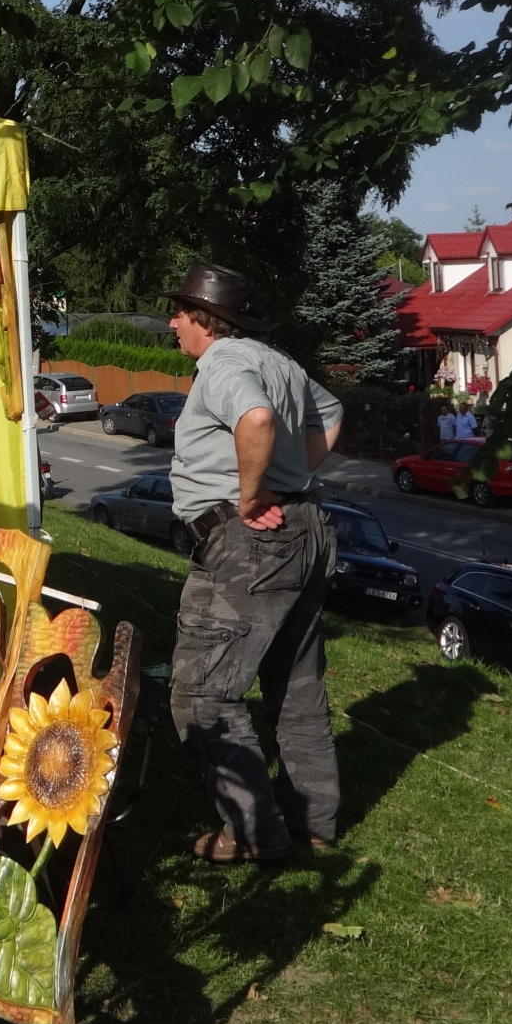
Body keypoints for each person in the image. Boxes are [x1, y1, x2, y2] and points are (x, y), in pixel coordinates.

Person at [163, 262, 344, 863]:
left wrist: (251, 493)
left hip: (250, 544)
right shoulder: (279, 362)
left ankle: (253, 835)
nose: (173, 324)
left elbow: (257, 419)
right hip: (307, 532)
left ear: (204, 322)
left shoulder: (222, 364)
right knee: (296, 690)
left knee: (202, 694)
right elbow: (332, 412)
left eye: (181, 315)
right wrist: (294, 479)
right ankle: (314, 824)